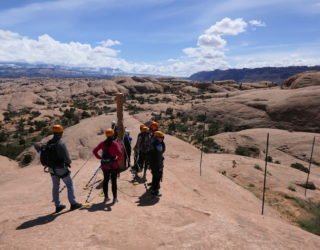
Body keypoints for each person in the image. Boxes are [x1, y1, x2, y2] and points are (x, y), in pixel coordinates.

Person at [38, 125, 82, 213]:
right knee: (69, 184)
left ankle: (57, 205)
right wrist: (68, 163)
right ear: (61, 133)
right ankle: (73, 203)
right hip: (61, 168)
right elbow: (67, 158)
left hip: (51, 169)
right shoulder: (60, 143)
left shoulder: (49, 143)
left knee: (55, 186)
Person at [93, 128, 122, 204]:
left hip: (105, 165)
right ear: (113, 135)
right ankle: (114, 198)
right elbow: (120, 153)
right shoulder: (115, 143)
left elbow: (94, 151)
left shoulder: (102, 143)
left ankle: (106, 198)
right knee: (113, 181)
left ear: (106, 135)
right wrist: (116, 160)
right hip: (113, 165)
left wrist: (100, 158)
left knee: (105, 180)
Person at [149, 131, 166, 196]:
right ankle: (155, 191)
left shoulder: (153, 143)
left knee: (155, 176)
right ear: (157, 137)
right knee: (157, 177)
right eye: (161, 137)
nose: (162, 139)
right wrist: (160, 166)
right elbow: (159, 154)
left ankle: (153, 189)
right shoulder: (158, 145)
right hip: (157, 164)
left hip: (153, 163)